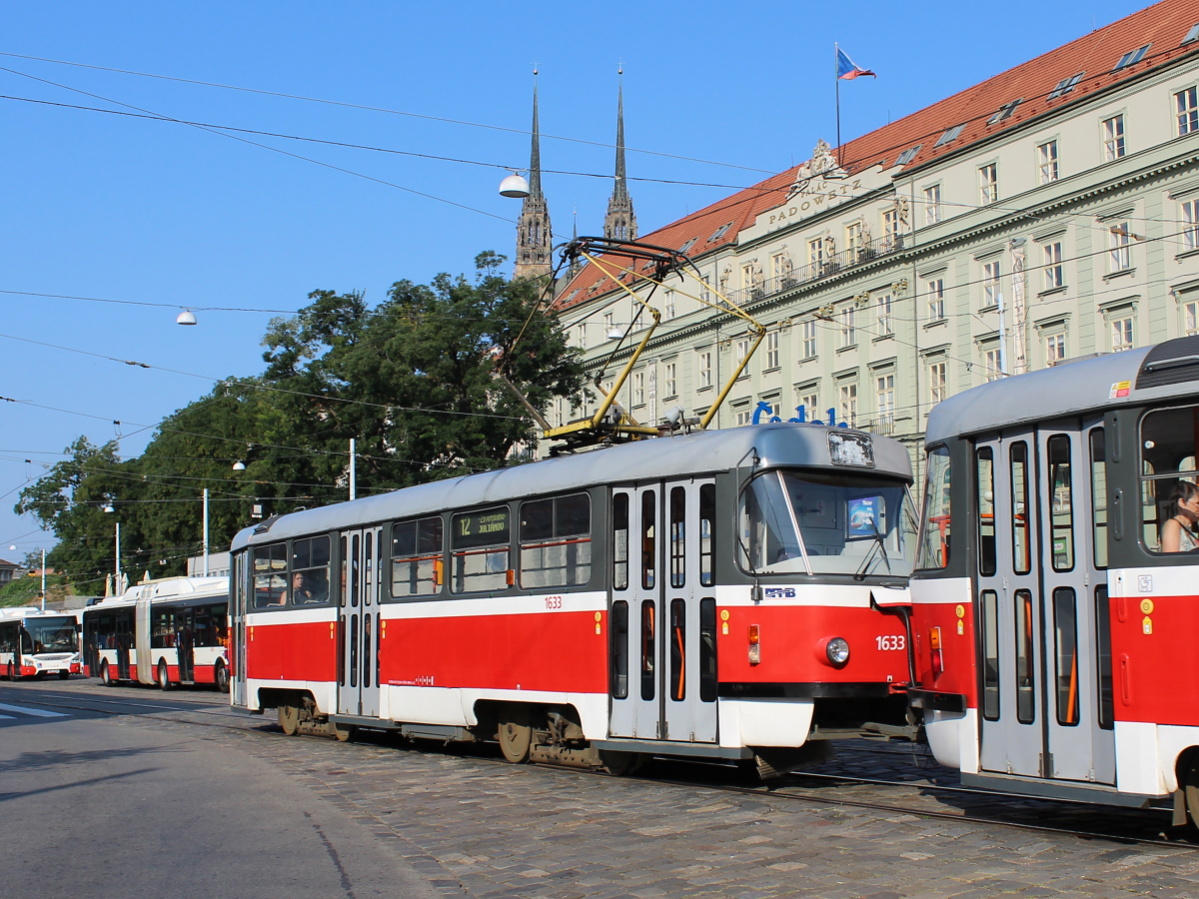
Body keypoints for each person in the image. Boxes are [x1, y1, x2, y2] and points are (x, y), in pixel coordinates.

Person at [1160, 480, 1199, 552]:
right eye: (1197, 503)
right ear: (1182, 503)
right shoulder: (1172, 525)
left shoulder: (1188, 528)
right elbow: (1170, 558)